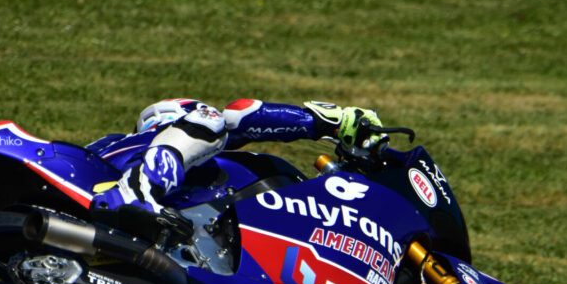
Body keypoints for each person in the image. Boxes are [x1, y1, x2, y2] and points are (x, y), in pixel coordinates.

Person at [86, 99, 383, 227]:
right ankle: (135, 193)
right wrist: (331, 122)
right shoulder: (186, 129)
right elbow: (241, 114)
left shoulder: (105, 146)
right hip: (117, 195)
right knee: (212, 122)